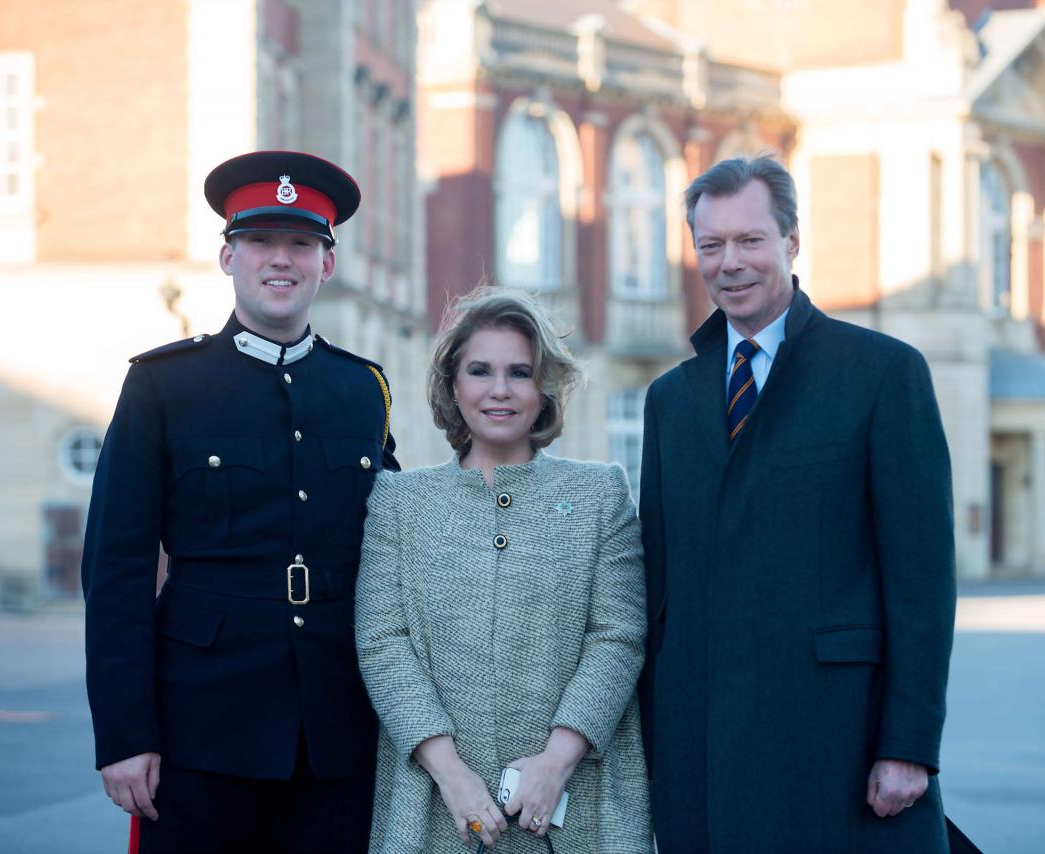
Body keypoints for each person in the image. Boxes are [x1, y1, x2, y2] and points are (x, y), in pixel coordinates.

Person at [638, 154, 957, 852]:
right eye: (710, 245)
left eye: (750, 240)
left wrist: (909, 744)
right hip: (703, 749)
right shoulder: (670, 400)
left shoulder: (882, 374)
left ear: (791, 241)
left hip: (835, 740)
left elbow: (922, 580)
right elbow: (659, 590)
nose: (729, 263)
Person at [82, 150, 398, 854]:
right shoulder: (164, 386)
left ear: (328, 263)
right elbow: (116, 573)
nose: (279, 259)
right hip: (201, 728)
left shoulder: (360, 390)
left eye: (301, 243)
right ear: (228, 257)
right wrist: (125, 735)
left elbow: (394, 548)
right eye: (259, 240)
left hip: (335, 732)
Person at [355, 288, 652, 853]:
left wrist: (556, 762)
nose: (499, 390)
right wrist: (452, 775)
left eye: (520, 372)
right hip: (435, 807)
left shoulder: (599, 495)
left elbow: (618, 636)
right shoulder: (399, 502)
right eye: (480, 371)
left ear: (544, 389)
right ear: (453, 385)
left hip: (576, 806)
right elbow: (382, 642)